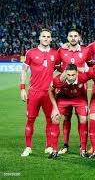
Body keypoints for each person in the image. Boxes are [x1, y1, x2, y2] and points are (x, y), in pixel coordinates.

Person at [20, 29, 59, 157]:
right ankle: (28, 147)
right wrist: (22, 88)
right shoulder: (31, 53)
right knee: (30, 120)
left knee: (50, 120)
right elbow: (24, 71)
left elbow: (62, 69)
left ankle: (48, 146)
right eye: (44, 36)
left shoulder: (55, 54)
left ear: (51, 39)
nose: (46, 38)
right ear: (39, 38)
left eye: (48, 36)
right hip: (34, 92)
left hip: (49, 93)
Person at [57, 28, 91, 155]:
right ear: (67, 38)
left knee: (82, 118)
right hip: (65, 91)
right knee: (67, 117)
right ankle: (65, 145)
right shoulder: (61, 50)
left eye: (75, 36)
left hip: (80, 91)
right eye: (70, 36)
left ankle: (83, 147)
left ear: (79, 37)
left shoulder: (86, 50)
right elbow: (56, 65)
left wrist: (81, 72)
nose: (73, 38)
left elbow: (91, 66)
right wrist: (65, 75)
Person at [48, 64, 88, 159]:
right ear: (65, 73)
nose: (71, 77)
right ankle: (55, 150)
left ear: (77, 73)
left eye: (73, 75)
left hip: (79, 99)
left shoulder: (84, 77)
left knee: (83, 119)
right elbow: (50, 91)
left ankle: (83, 149)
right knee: (55, 118)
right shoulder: (58, 80)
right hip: (63, 99)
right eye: (68, 75)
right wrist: (54, 108)